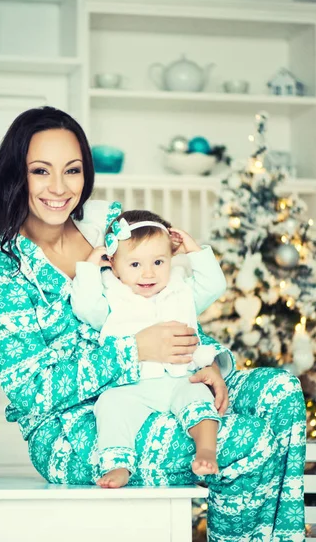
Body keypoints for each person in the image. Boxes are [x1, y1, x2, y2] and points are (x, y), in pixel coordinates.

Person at [0, 106, 306, 542]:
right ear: (17, 175)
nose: (59, 188)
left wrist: (208, 361)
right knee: (249, 442)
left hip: (169, 380)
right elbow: (32, 391)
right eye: (40, 171)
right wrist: (135, 350)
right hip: (82, 427)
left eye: (72, 170)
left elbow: (165, 296)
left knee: (281, 392)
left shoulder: (108, 227)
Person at [70, 209, 227, 487]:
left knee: (199, 396)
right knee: (110, 405)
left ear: (171, 260)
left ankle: (205, 449)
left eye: (158, 261)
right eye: (135, 265)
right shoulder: (112, 298)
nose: (148, 273)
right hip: (133, 386)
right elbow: (84, 307)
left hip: (181, 378)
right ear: (114, 266)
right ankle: (119, 465)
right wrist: (91, 266)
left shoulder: (182, 292)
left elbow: (214, 285)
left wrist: (192, 248)